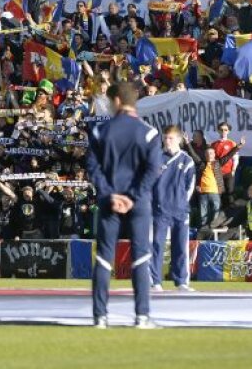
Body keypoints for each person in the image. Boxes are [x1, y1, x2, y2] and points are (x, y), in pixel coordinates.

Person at [86, 82, 163, 329]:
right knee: (141, 258)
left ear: (117, 101)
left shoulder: (99, 131)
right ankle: (142, 317)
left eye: (109, 102)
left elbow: (93, 168)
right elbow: (153, 170)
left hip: (109, 202)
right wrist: (133, 196)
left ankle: (100, 317)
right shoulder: (149, 133)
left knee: (105, 259)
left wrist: (111, 194)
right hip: (139, 203)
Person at [150, 126, 195, 293]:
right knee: (157, 245)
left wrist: (182, 203)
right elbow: (149, 183)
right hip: (160, 210)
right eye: (165, 138)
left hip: (180, 210)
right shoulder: (157, 158)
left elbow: (190, 185)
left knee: (180, 246)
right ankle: (155, 281)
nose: (166, 141)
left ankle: (181, 281)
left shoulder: (187, 160)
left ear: (178, 139)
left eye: (170, 138)